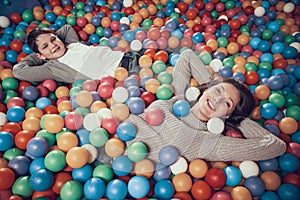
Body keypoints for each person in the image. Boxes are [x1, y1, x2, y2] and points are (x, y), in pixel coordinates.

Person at [125, 49, 287, 163]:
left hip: (121, 160)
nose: (217, 100)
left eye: (227, 103)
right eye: (218, 91)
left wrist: (239, 119)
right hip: (113, 126)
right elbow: (187, 56)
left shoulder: (210, 143)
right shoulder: (179, 96)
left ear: (228, 115)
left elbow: (276, 146)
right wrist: (211, 84)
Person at [13, 24, 141, 83]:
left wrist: (53, 39)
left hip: (128, 57)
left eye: (53, 39)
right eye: (45, 46)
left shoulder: (71, 43)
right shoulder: (52, 68)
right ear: (40, 55)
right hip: (119, 78)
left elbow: (66, 28)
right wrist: (41, 56)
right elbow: (18, 71)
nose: (53, 45)